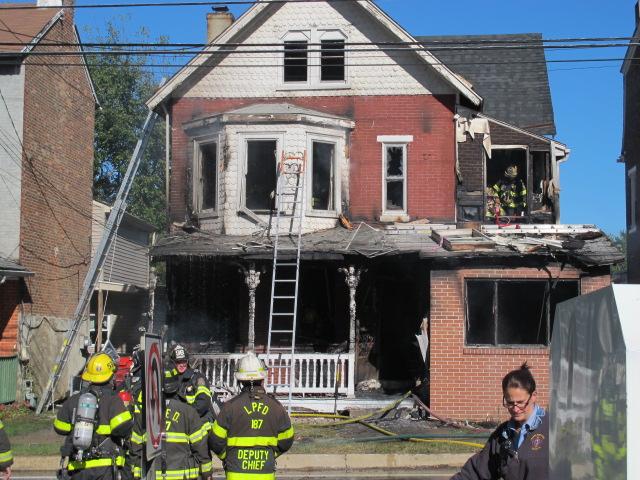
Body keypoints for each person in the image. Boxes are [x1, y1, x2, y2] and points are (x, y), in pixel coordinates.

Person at [451, 363, 548, 480]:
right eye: (510, 403)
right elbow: (477, 471)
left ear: (533, 396)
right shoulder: (502, 435)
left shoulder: (551, 429)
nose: (515, 409)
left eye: (521, 402)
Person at [209, 352, 294, 480]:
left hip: (235, 474)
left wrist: (227, 456)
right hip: (265, 475)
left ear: (240, 380)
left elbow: (215, 440)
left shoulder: (230, 408)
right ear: (262, 378)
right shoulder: (276, 408)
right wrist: (270, 454)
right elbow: (287, 439)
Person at [54, 352, 133, 479]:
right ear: (110, 376)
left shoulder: (74, 399)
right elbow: (122, 428)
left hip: (78, 467)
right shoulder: (113, 400)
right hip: (105, 468)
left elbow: (59, 427)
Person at [129, 373, 212, 479]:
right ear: (177, 386)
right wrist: (206, 472)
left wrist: (136, 474)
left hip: (153, 475)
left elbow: (135, 447)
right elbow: (200, 447)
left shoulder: (145, 414)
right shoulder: (189, 412)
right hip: (183, 476)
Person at [165, 344, 218, 422]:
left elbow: (203, 403)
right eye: (178, 362)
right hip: (174, 420)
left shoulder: (198, 378)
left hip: (195, 421)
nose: (182, 365)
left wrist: (183, 415)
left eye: (184, 361)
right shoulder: (169, 379)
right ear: (172, 362)